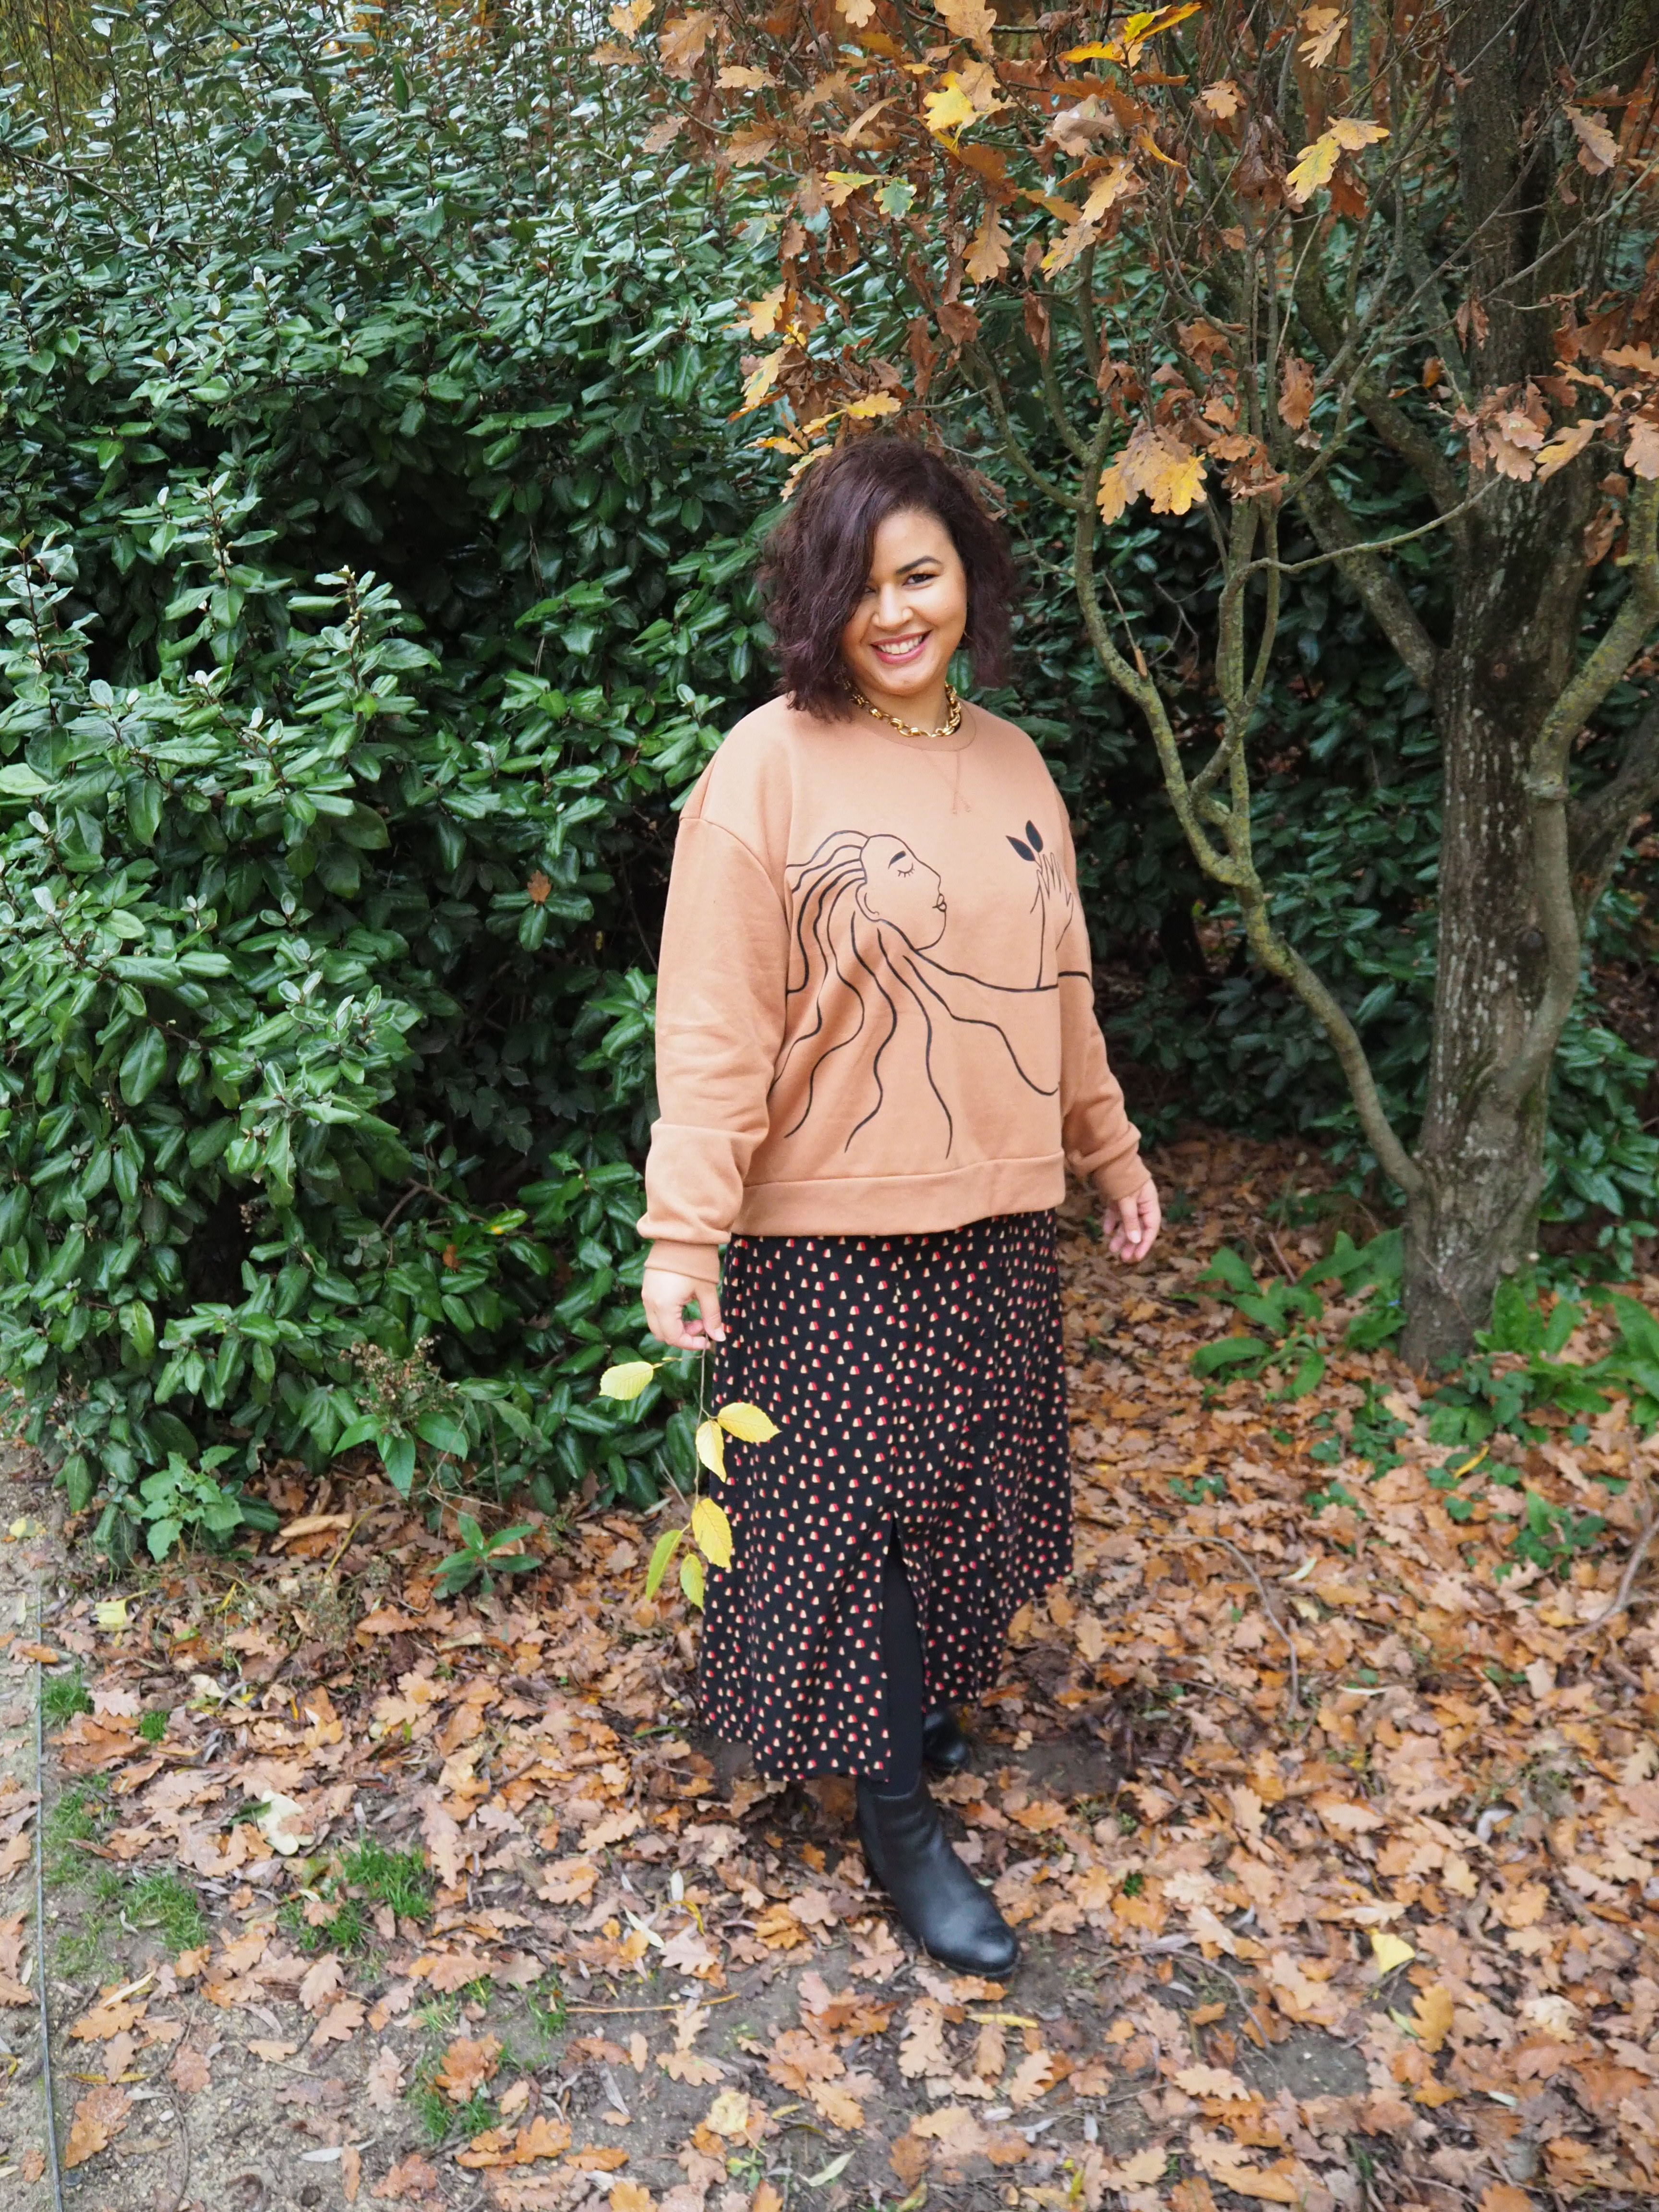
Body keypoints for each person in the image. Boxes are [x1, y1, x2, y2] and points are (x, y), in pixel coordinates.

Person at [637, 438, 1161, 1975]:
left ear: (966, 581)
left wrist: (1111, 1152)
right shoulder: (768, 765)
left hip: (995, 1217)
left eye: (920, 575)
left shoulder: (1015, 766)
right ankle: (901, 1823)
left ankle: (900, 1709)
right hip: (825, 1234)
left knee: (954, 1500)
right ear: (819, 598)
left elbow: (1061, 993)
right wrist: (685, 1229)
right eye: (860, 585)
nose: (895, 612)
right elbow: (713, 1021)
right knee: (848, 1520)